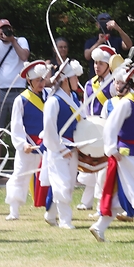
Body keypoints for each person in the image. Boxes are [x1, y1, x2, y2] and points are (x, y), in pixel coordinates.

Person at [89, 59, 134, 242]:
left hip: (131, 153)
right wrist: (111, 149)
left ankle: (99, 227)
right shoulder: (127, 103)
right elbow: (110, 126)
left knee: (117, 196)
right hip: (127, 153)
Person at [5, 60, 52, 222]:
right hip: (29, 144)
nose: (41, 83)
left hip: (47, 143)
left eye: (43, 79)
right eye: (38, 80)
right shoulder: (21, 99)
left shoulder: (49, 95)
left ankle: (51, 208)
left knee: (50, 176)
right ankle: (14, 209)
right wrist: (22, 144)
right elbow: (16, 125)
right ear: (29, 81)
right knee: (20, 175)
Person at [42, 60, 84, 230]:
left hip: (72, 148)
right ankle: (65, 220)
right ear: (66, 79)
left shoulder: (74, 98)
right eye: (75, 77)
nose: (77, 80)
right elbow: (49, 129)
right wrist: (60, 148)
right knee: (62, 183)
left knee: (68, 184)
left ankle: (51, 214)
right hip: (58, 149)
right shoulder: (53, 101)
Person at [77, 45, 119, 211]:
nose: (97, 66)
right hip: (92, 128)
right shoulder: (89, 84)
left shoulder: (114, 84)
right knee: (91, 166)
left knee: (102, 168)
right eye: (95, 63)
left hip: (107, 129)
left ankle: (101, 203)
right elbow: (86, 109)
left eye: (101, 63)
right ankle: (87, 201)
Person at [0, 18, 31, 162]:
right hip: (1, 91)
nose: (5, 31)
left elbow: (24, 56)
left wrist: (13, 41)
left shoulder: (20, 40)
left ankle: (23, 160)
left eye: (7, 28)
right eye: (2, 29)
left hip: (19, 90)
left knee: (22, 128)